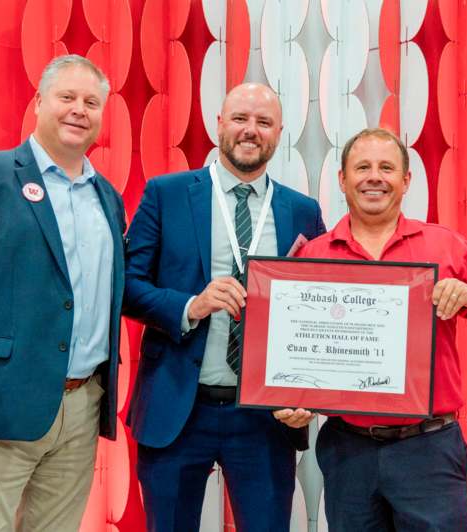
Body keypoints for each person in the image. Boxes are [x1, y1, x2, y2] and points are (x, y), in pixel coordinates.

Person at [0, 55, 126, 532]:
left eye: (92, 102)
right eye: (67, 97)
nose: (79, 110)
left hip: (80, 409)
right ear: (38, 103)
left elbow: (110, 291)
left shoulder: (107, 198)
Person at [124, 82, 326, 531]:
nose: (250, 130)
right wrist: (190, 305)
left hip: (265, 416)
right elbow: (127, 287)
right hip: (178, 407)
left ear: (279, 134)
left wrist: (307, 395)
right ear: (219, 124)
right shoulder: (166, 194)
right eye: (240, 118)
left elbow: (319, 310)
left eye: (263, 122)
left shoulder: (303, 212)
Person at [295, 128, 467, 531]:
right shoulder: (314, 255)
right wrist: (289, 398)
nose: (374, 177)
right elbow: (294, 350)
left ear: (406, 180)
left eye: (386, 168)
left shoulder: (444, 245)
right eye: (362, 167)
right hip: (348, 450)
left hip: (428, 449)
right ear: (342, 179)